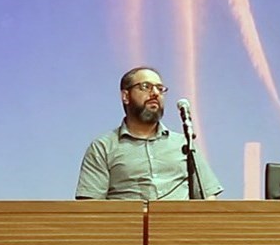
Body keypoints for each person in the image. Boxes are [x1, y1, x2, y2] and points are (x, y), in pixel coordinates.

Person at [76, 66, 222, 200]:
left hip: (178, 220)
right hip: (128, 221)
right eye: (145, 87)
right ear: (125, 96)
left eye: (160, 88)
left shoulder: (184, 144)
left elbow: (208, 198)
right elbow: (91, 206)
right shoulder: (103, 147)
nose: (155, 93)